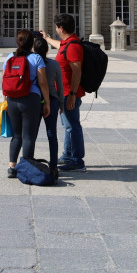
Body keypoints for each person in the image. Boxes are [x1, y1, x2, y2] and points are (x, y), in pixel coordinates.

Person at [4, 29, 51, 179]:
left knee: (16, 135)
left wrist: (6, 100)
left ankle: (12, 167)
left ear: (17, 42)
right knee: (28, 136)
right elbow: (43, 83)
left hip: (12, 99)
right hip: (31, 99)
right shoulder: (36, 58)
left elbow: (4, 81)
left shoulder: (9, 57)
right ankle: (26, 166)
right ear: (32, 43)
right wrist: (47, 103)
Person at [55, 13, 87, 172]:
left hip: (69, 93)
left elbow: (77, 71)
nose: (56, 29)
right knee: (67, 126)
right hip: (65, 92)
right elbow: (59, 46)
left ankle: (77, 160)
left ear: (61, 28)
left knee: (73, 126)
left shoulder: (73, 45)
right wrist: (46, 38)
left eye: (56, 27)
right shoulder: (66, 43)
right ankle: (67, 155)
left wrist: (73, 95)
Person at [33, 34, 63, 184]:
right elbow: (60, 87)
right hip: (52, 100)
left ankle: (30, 162)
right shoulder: (54, 64)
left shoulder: (31, 63)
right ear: (47, 50)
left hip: (35, 102)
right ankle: (53, 167)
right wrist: (62, 103)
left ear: (34, 50)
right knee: (52, 135)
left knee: (31, 135)